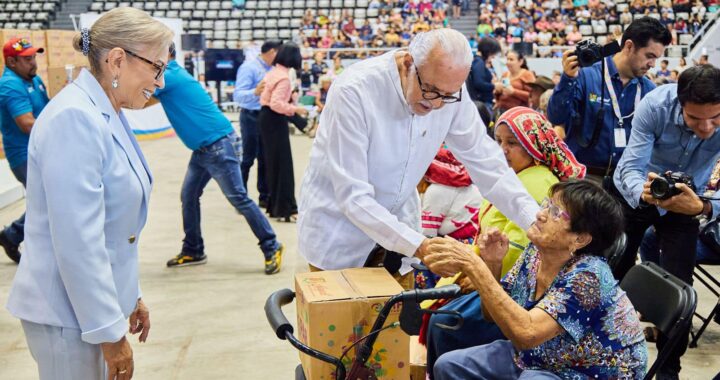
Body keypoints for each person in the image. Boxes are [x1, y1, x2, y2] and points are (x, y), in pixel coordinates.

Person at [5, 8, 173, 379]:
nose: (161, 82)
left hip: (87, 309)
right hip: (68, 318)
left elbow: (115, 229)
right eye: (157, 68)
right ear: (116, 60)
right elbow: (78, 240)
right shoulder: (74, 119)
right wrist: (110, 335)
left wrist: (129, 296)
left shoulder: (106, 112)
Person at [297, 29, 540, 283]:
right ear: (407, 64)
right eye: (431, 91)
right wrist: (421, 246)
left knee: (397, 320)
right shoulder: (354, 91)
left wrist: (533, 221)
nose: (436, 104)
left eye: (448, 96)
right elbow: (353, 196)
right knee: (345, 319)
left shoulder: (448, 90)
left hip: (401, 231)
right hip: (340, 233)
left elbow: (488, 164)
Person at [426, 180, 647, 379]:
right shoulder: (536, 252)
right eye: (546, 204)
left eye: (556, 212)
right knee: (449, 366)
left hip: (586, 372)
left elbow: (526, 335)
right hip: (539, 356)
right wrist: (492, 264)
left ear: (579, 239)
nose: (541, 214)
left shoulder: (588, 277)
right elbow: (491, 316)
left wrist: (475, 267)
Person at [425, 108, 586, 375]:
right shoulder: (513, 177)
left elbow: (519, 251)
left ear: (534, 145)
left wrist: (478, 272)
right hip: (494, 270)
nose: (503, 150)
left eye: (512, 143)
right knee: (439, 308)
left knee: (444, 321)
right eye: (499, 141)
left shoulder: (536, 183)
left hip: (511, 282)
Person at [609, 64, 720, 379]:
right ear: (680, 104)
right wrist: (643, 193)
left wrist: (702, 206)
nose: (708, 128)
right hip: (641, 192)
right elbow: (630, 166)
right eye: (695, 119)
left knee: (680, 289)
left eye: (716, 117)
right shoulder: (655, 105)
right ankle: (603, 351)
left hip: (688, 202)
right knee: (612, 272)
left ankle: (669, 368)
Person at [155, 46, 284, 274]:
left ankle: (272, 245)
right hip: (204, 148)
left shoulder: (169, 76)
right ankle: (193, 248)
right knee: (189, 196)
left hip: (217, 146)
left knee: (239, 199)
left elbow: (135, 97)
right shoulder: (170, 75)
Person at [547, 16, 672, 182]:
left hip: (624, 183)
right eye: (649, 56)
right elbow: (556, 117)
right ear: (629, 46)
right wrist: (568, 79)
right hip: (583, 179)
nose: (653, 64)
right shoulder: (585, 75)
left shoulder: (649, 91)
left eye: (656, 58)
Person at [0, 37, 48, 263]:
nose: (33, 62)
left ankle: (11, 235)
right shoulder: (10, 85)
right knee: (47, 202)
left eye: (34, 57)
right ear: (11, 62)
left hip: (39, 151)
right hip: (23, 155)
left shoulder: (33, 79)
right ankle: (13, 235)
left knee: (46, 201)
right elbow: (27, 124)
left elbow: (47, 111)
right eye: (26, 59)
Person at [258, 43, 307, 222]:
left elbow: (266, 98)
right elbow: (276, 104)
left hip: (265, 118)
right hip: (274, 119)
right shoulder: (284, 77)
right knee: (283, 165)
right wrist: (296, 109)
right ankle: (287, 209)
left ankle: (276, 207)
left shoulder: (272, 73)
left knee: (274, 164)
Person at [232, 40, 281, 209]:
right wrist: (255, 91)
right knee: (248, 158)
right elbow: (237, 95)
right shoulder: (249, 68)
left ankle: (264, 196)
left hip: (267, 116)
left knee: (265, 159)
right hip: (251, 116)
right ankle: (240, 197)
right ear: (272, 52)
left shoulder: (273, 69)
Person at [493, 50, 535, 114]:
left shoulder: (527, 75)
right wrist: (497, 91)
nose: (508, 62)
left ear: (520, 62)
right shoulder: (505, 74)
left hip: (519, 113)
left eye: (511, 59)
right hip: (502, 111)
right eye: (507, 59)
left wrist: (514, 92)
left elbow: (533, 96)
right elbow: (499, 95)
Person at [467, 37, 501, 111]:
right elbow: (479, 83)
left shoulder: (478, 61)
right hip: (483, 102)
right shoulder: (479, 62)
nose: (493, 56)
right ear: (488, 51)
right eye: (493, 53)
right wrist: (494, 86)